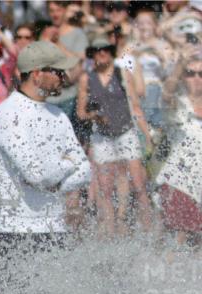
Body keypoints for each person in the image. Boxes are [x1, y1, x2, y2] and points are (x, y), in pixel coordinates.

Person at [0, 41, 92, 245]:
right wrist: (68, 164)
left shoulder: (58, 114)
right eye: (58, 72)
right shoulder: (8, 114)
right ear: (37, 74)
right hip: (16, 230)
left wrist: (55, 184)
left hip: (56, 226)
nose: (64, 77)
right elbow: (37, 175)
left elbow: (86, 171)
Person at [76, 37, 154, 236]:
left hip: (126, 132)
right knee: (105, 189)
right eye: (97, 50)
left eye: (105, 50)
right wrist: (95, 116)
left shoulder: (122, 73)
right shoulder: (87, 78)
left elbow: (135, 106)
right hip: (102, 136)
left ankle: (148, 230)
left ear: (111, 53)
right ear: (92, 54)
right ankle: (111, 232)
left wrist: (147, 136)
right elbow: (80, 113)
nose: (101, 53)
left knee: (138, 185)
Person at [156, 54, 202, 245]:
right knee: (179, 239)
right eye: (190, 73)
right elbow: (166, 93)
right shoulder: (176, 104)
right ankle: (157, 273)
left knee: (198, 244)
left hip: (200, 187)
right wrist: (181, 63)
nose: (197, 78)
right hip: (179, 183)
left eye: (201, 73)